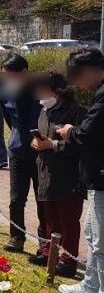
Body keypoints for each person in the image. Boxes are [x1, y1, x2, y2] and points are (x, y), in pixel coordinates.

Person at [57, 48, 104, 293]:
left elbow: (88, 134)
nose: (78, 83)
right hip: (96, 178)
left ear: (92, 69)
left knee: (101, 240)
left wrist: (69, 131)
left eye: (79, 75)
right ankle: (91, 285)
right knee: (92, 234)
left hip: (102, 176)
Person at [29, 71, 86, 277]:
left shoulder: (76, 111)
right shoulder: (45, 110)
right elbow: (42, 138)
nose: (37, 93)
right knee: (49, 217)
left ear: (55, 89)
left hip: (68, 176)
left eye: (40, 89)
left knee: (68, 221)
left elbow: (80, 145)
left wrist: (52, 145)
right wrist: (36, 143)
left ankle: (68, 261)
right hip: (46, 172)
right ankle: (48, 254)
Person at [1, 53, 46, 255]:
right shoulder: (7, 91)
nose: (8, 79)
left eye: (11, 75)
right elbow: (9, 118)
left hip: (40, 152)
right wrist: (17, 137)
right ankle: (17, 236)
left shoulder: (41, 90)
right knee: (16, 198)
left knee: (42, 199)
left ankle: (44, 242)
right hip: (17, 151)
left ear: (24, 73)